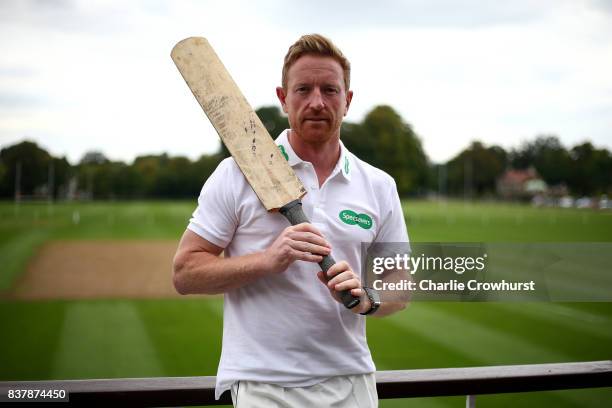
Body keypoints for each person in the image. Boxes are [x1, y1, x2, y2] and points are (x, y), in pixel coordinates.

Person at [173, 33, 410, 407]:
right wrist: (267, 261)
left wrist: (367, 298)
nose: (317, 101)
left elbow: (401, 281)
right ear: (284, 98)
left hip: (351, 382)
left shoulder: (378, 185)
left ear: (347, 101)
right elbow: (185, 273)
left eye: (330, 90)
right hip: (263, 386)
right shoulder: (235, 174)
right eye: (303, 89)